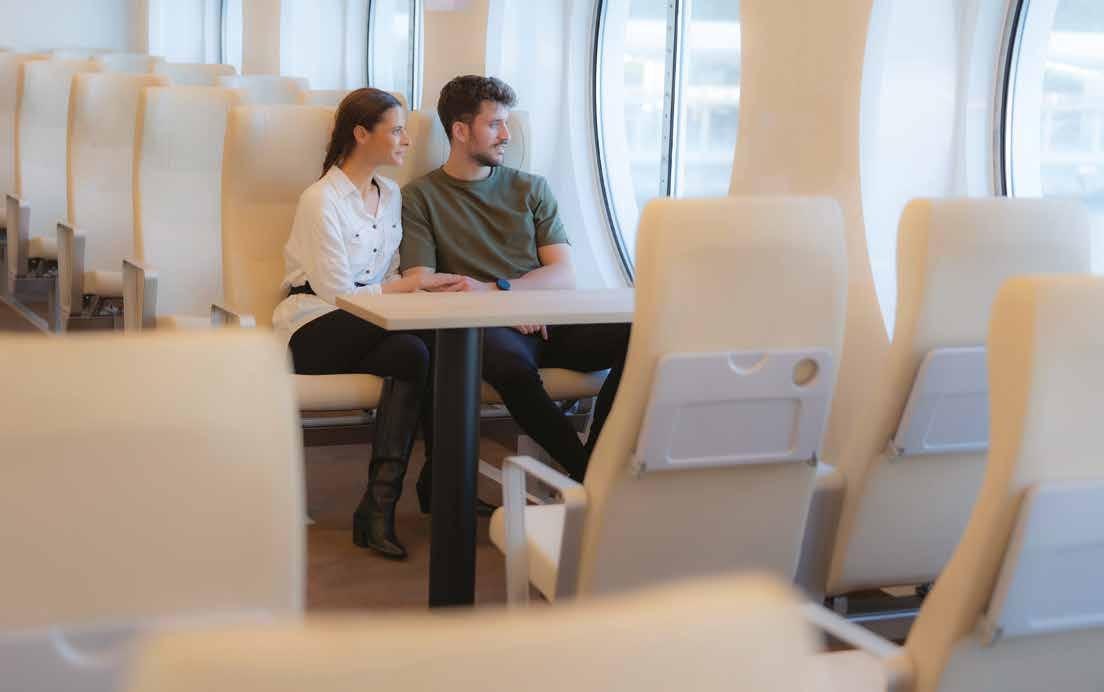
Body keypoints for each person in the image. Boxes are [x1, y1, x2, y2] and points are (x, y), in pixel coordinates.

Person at [400, 75, 631, 483]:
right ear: (460, 131)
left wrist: (504, 294)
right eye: (494, 125)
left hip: (544, 317)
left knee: (639, 335)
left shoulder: (532, 188)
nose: (507, 135)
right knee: (512, 370)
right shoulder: (419, 197)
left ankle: (600, 458)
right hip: (486, 326)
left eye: (506, 124)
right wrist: (501, 309)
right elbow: (423, 282)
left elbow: (563, 273)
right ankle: (590, 478)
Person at [272, 88, 465, 560]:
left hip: (372, 321)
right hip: (314, 326)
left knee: (414, 354)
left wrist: (417, 286)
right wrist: (412, 286)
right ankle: (438, 484)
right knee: (429, 340)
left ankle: (377, 508)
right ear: (361, 134)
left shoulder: (391, 194)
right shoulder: (320, 199)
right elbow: (339, 293)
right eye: (396, 131)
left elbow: (389, 275)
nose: (406, 141)